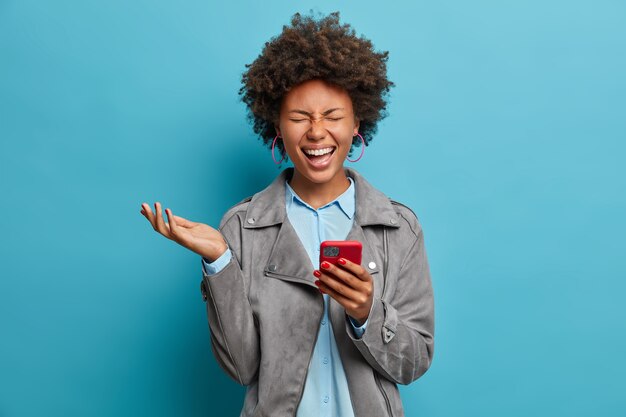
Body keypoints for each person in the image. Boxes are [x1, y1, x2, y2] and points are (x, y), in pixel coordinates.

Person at [140, 11, 434, 417]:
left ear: (356, 123)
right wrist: (218, 261)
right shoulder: (241, 228)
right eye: (299, 117)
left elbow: (414, 362)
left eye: (332, 116)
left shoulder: (398, 228)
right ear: (276, 125)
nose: (316, 132)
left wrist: (368, 313)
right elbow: (241, 368)